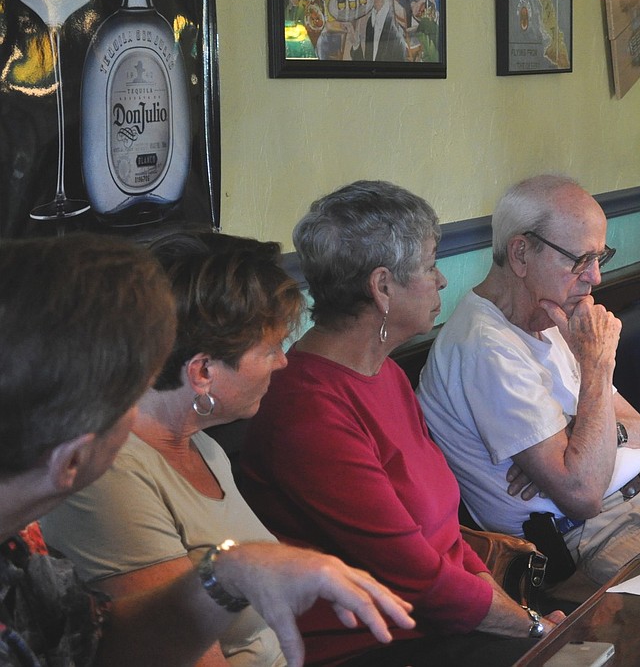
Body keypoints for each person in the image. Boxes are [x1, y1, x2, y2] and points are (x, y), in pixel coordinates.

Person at [0, 233, 414, 667]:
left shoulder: (20, 544)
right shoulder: (109, 482)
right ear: (73, 460)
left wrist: (227, 574)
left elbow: (107, 652)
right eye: (135, 386)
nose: (148, 398)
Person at [239, 181, 564, 667]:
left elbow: (447, 540)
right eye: (431, 266)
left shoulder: (385, 372)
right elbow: (416, 574)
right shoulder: (306, 408)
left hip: (438, 624)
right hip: (368, 646)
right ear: (383, 287)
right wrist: (533, 628)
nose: (442, 281)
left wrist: (518, 615)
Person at [417, 175, 640, 586]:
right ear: (520, 254)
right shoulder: (485, 346)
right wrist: (597, 367)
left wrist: (578, 435)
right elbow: (584, 493)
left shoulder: (551, 317)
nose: (596, 279)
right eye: (580, 260)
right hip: (594, 537)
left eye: (600, 259)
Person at [39, 231, 304, 666]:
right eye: (271, 347)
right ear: (202, 371)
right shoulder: (111, 475)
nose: (283, 361)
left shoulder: (203, 446)